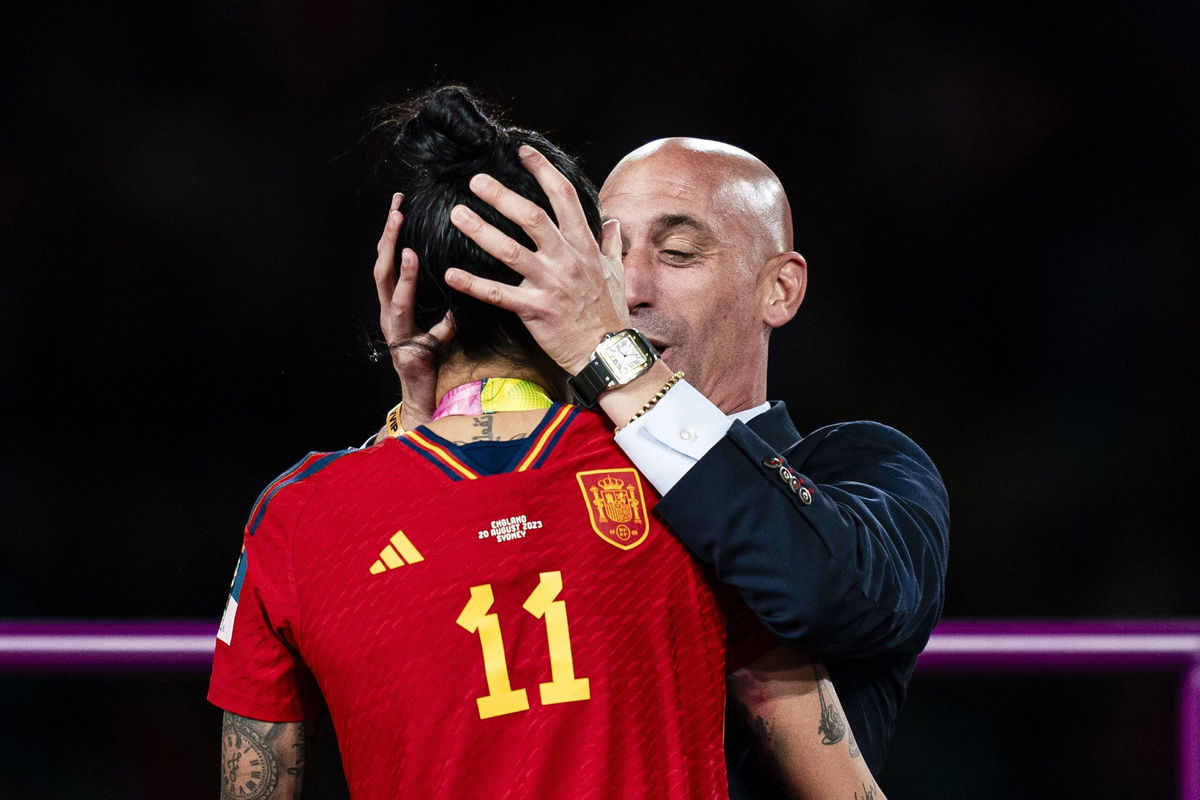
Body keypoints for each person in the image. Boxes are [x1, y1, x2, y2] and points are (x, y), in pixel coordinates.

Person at [211, 87, 879, 800]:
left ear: (411, 287)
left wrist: (411, 416)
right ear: (592, 272)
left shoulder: (295, 520)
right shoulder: (680, 478)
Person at [380, 135, 950, 798]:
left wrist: (609, 352)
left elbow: (819, 589)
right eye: (611, 256)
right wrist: (423, 425)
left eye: (678, 252)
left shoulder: (866, 467)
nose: (632, 289)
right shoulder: (533, 477)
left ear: (781, 289)